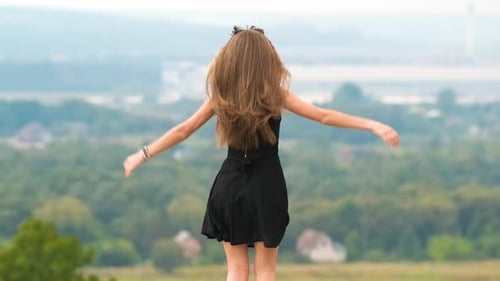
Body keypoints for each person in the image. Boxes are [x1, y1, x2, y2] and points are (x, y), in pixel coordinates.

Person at [123, 25, 399, 281]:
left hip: (229, 185)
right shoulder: (275, 96)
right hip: (266, 186)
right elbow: (323, 116)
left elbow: (183, 130)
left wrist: (142, 154)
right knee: (266, 272)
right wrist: (372, 125)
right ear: (267, 60)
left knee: (236, 270)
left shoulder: (221, 96)